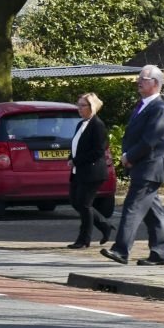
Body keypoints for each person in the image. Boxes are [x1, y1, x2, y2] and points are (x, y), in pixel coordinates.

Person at [102, 65, 164, 266]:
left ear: (156, 83)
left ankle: (121, 250)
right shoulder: (143, 105)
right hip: (143, 167)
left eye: (144, 78)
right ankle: (161, 252)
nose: (138, 81)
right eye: (139, 77)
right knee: (153, 213)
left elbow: (150, 140)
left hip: (150, 167)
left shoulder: (159, 109)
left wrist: (129, 156)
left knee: (132, 207)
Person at [65, 92, 114, 249]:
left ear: (92, 107)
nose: (79, 108)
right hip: (78, 171)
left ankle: (83, 239)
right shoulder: (80, 124)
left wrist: (76, 161)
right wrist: (71, 157)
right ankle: (105, 225)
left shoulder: (97, 125)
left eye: (82, 105)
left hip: (92, 172)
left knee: (84, 204)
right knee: (76, 202)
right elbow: (77, 146)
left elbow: (98, 151)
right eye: (78, 105)